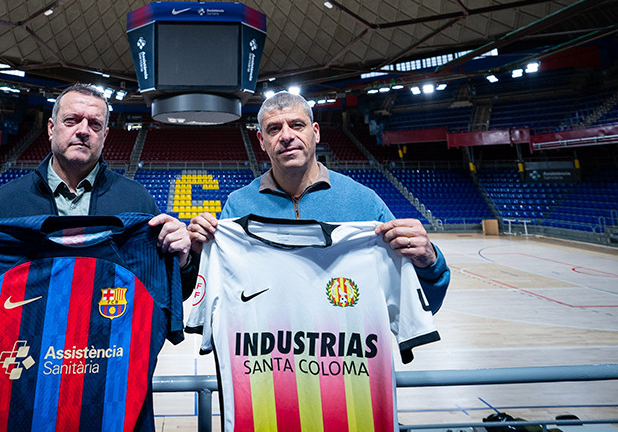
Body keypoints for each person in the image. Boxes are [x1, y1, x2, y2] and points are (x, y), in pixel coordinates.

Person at [0, 83, 192, 321]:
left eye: (94, 124)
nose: (82, 130)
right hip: (26, 374)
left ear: (105, 136)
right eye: (71, 120)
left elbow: (172, 294)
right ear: (52, 128)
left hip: (109, 367)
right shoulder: (2, 205)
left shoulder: (137, 201)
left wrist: (183, 262)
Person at [187, 91, 449, 312]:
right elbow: (219, 295)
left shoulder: (364, 203)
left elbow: (421, 305)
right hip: (266, 362)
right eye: (274, 129)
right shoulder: (238, 205)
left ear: (315, 133)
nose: (286, 135)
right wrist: (198, 256)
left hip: (345, 363)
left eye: (296, 125)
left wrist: (428, 261)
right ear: (262, 141)